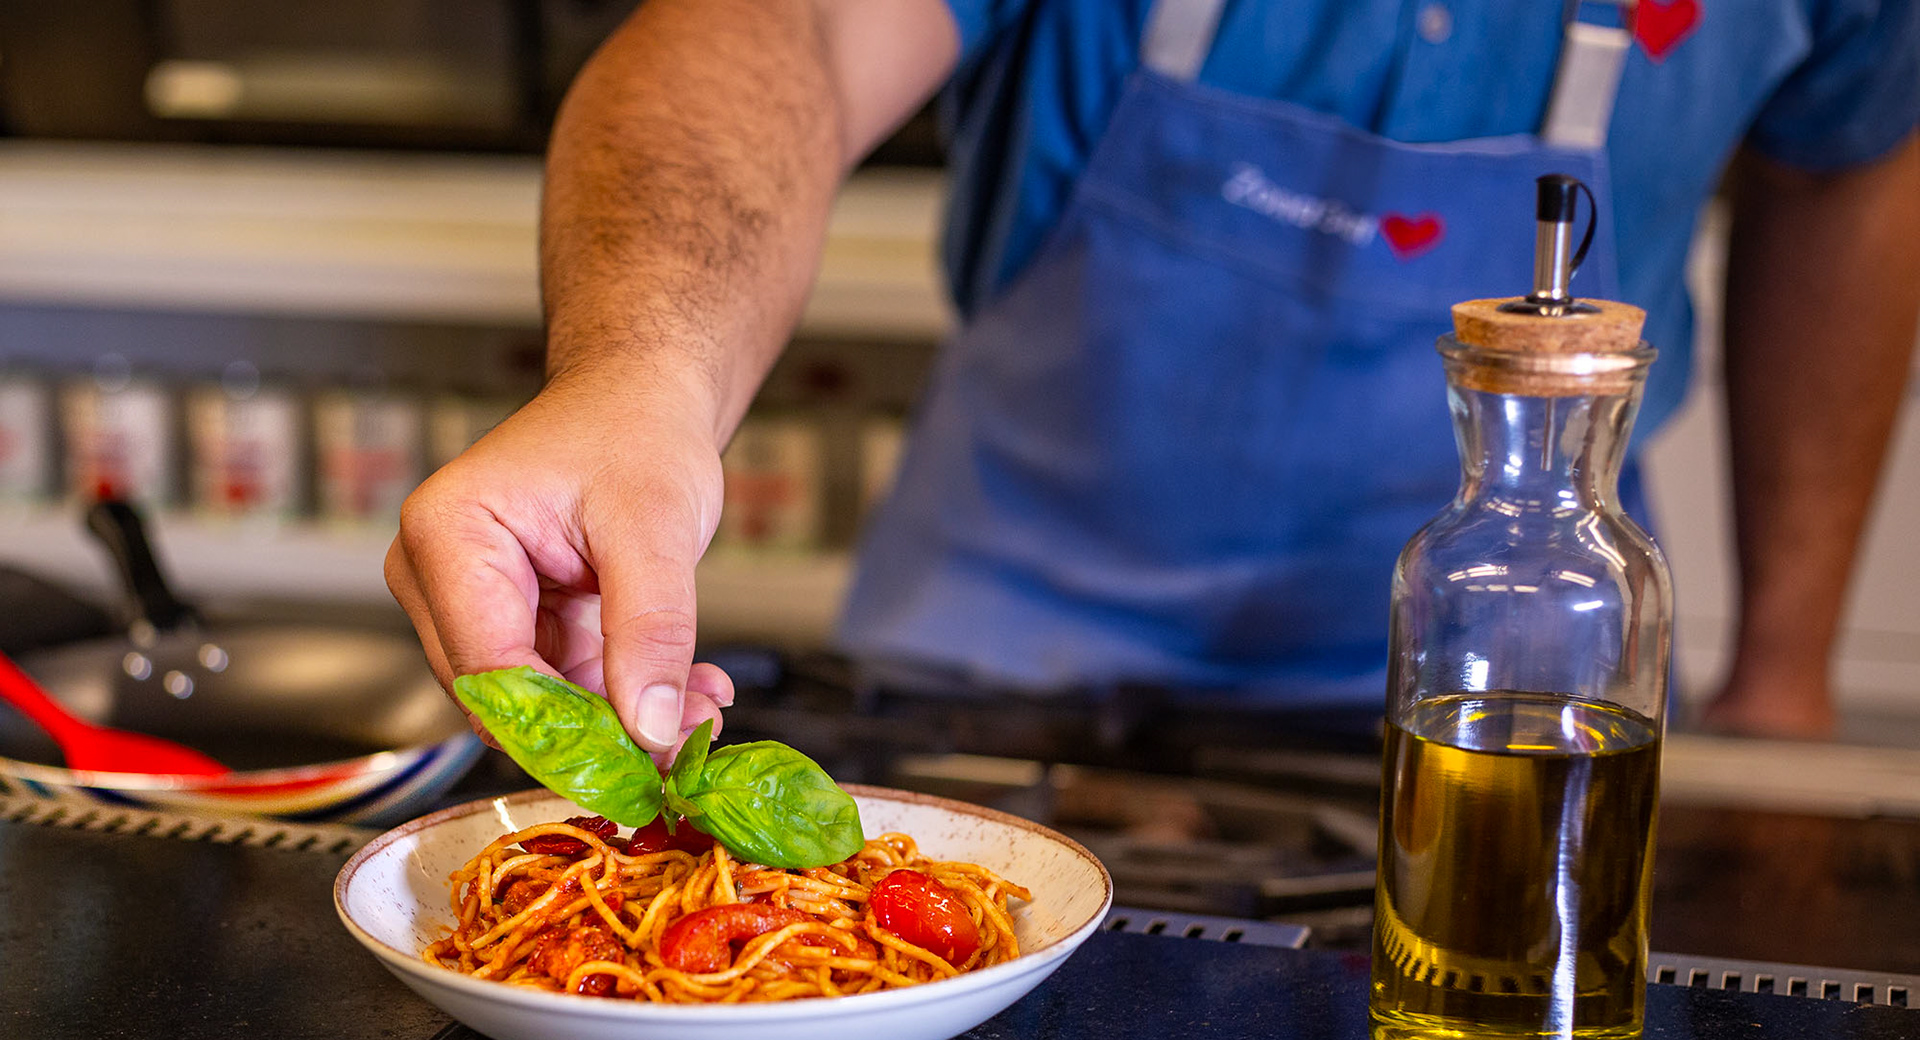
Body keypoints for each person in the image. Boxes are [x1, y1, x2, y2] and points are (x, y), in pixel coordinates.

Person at [387, 0, 1920, 755]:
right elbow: (767, 30)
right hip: (990, 658)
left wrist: (1783, 664)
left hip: (1515, 714)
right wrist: (642, 374)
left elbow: (1853, 168)